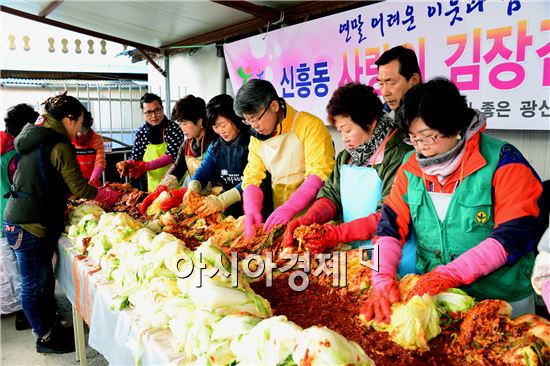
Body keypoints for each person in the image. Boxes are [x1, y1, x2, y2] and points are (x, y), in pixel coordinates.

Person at [361, 78, 543, 324]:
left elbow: (513, 235)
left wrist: (451, 274)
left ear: (456, 127)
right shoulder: (410, 167)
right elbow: (390, 227)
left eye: (429, 136)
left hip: (503, 301)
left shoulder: (503, 161)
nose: (421, 147)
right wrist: (381, 276)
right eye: (413, 138)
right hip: (439, 300)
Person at [2, 93, 122, 354]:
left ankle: (48, 328)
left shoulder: (38, 136)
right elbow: (79, 186)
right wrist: (107, 195)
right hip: (29, 223)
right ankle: (44, 337)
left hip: (25, 219)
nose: (80, 128)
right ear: (69, 119)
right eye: (79, 122)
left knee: (41, 280)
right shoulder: (57, 143)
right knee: (33, 283)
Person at [283, 83, 415, 274]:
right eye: (339, 130)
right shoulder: (347, 156)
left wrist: (337, 234)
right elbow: (331, 195)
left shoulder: (399, 155)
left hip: (393, 260)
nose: (343, 138)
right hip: (356, 258)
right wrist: (310, 219)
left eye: (347, 130)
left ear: (370, 123)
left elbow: (388, 216)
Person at [234, 79, 335, 238]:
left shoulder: (309, 125)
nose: (254, 126)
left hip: (317, 219)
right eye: (248, 121)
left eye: (256, 118)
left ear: (274, 106)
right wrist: (252, 208)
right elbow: (252, 176)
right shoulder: (257, 138)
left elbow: (319, 173)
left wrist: (291, 207)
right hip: (281, 221)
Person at [184, 94, 272, 218]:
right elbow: (203, 171)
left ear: (234, 118)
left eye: (223, 125)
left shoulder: (254, 140)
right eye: (215, 127)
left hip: (259, 209)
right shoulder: (215, 147)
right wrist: (193, 187)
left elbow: (254, 180)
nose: (220, 131)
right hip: (232, 212)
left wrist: (222, 200)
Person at [145, 94, 217, 213]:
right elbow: (177, 170)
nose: (182, 128)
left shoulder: (215, 142)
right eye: (180, 124)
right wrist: (161, 189)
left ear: (199, 121)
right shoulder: (187, 145)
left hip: (215, 201)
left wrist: (185, 192)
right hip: (194, 201)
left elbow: (214, 178)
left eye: (184, 123)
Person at [1, 103, 38, 330]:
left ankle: (21, 311)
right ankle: (29, 316)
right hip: (16, 218)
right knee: (26, 271)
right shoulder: (16, 155)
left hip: (2, 219)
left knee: (12, 270)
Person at [118, 93, 184, 192]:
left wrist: (145, 166)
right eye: (148, 112)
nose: (153, 116)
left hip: (174, 182)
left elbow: (171, 156)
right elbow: (136, 156)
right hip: (152, 185)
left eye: (157, 110)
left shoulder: (174, 128)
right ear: (143, 113)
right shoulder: (141, 132)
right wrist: (127, 165)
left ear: (162, 108)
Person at [375, 45, 422, 114]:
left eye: (391, 83)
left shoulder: (434, 114)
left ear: (414, 80)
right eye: (381, 84)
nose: (385, 93)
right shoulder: (380, 117)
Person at [71, 111, 105, 187]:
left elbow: (100, 162)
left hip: (93, 181)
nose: (80, 134)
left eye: (83, 131)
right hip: (73, 182)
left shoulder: (97, 139)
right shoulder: (69, 138)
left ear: (89, 128)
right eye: (78, 130)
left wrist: (92, 180)